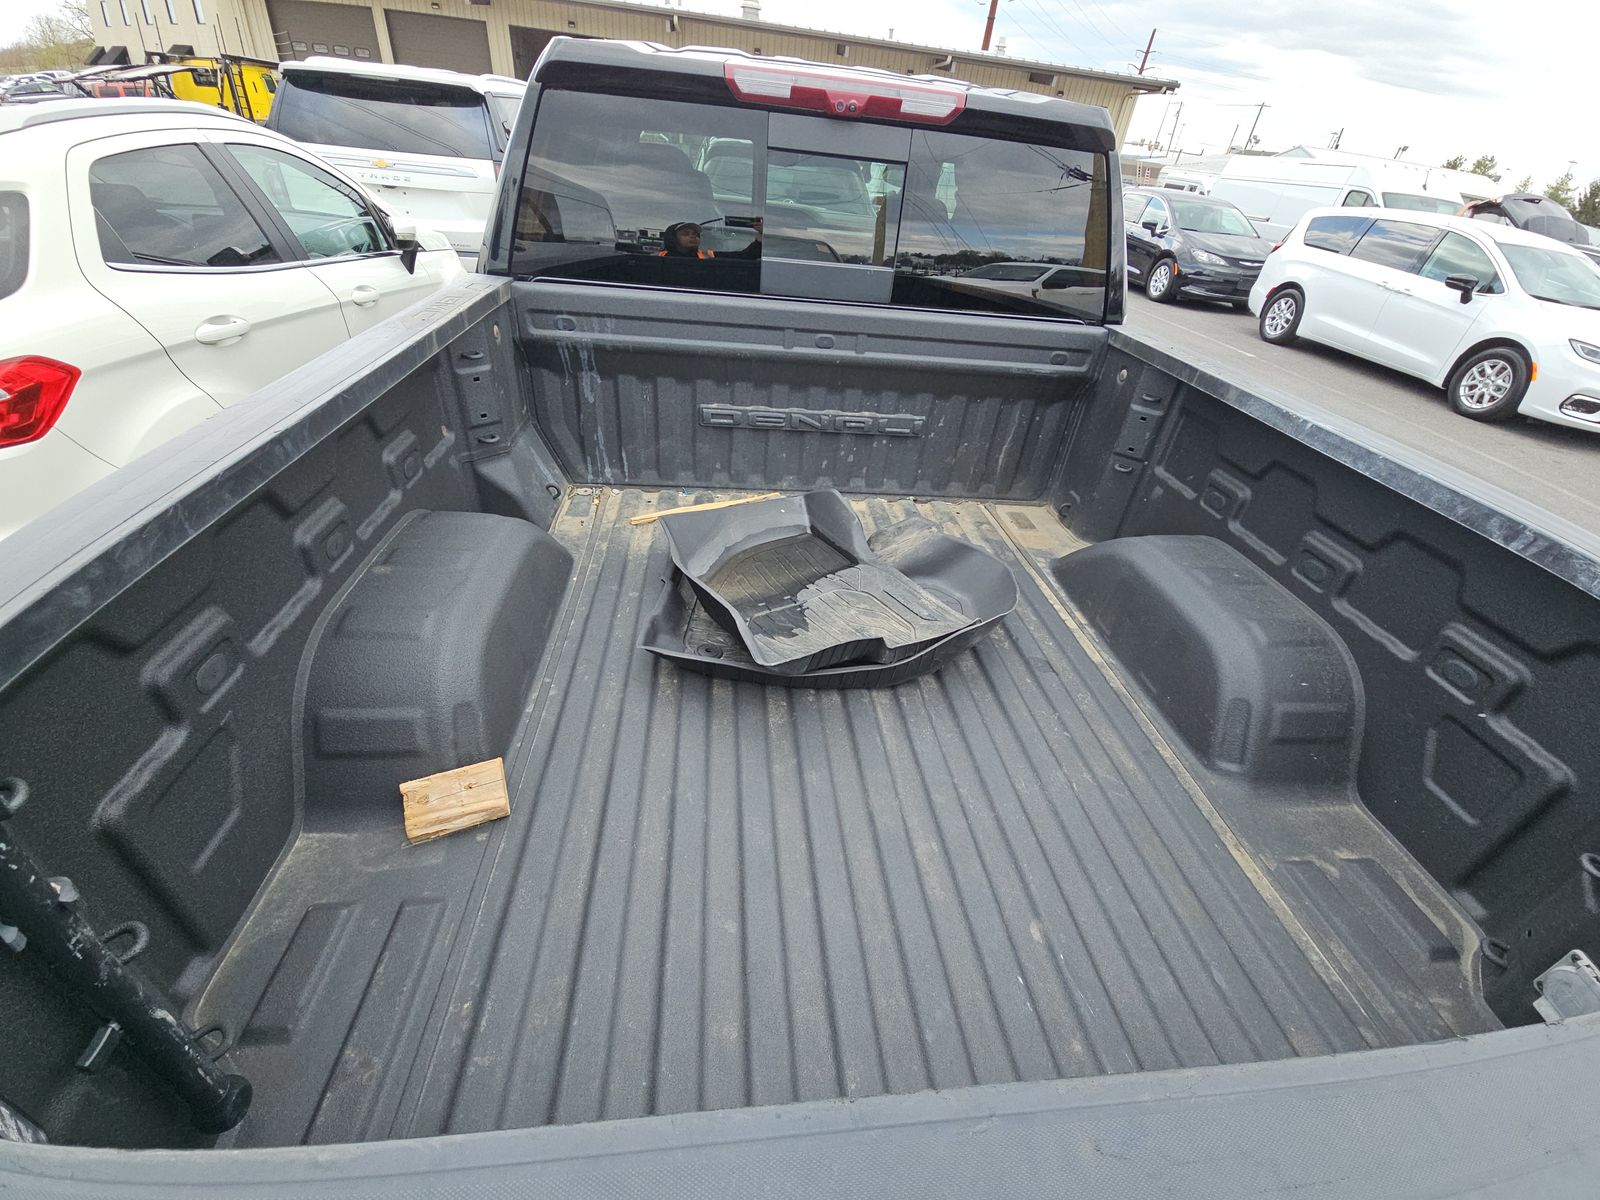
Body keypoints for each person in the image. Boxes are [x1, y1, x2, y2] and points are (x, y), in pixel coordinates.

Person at [658, 219, 763, 260]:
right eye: (685, 234)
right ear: (673, 239)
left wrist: (761, 234)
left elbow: (746, 256)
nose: (693, 236)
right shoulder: (656, 259)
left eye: (696, 234)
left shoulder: (708, 256)